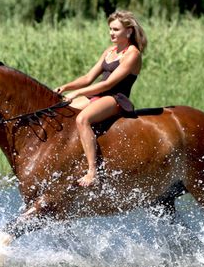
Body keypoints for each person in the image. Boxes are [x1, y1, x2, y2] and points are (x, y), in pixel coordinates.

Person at [56, 10, 147, 187]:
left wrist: (78, 93)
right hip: (99, 95)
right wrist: (65, 87)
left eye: (116, 29)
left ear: (128, 31)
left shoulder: (132, 54)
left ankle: (92, 171)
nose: (111, 33)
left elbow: (108, 84)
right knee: (63, 109)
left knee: (83, 119)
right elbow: (88, 78)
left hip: (116, 98)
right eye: (110, 29)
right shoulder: (110, 51)